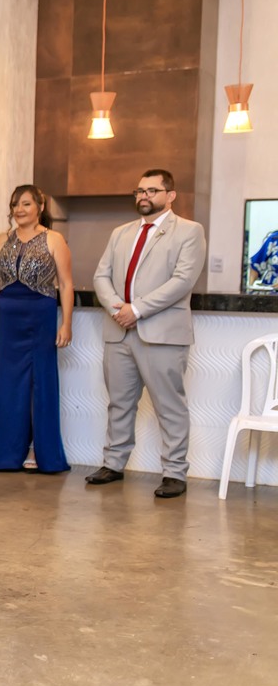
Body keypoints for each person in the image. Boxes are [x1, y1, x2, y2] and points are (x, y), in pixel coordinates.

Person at [87, 169, 207, 498]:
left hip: (162, 334)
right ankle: (113, 464)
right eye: (140, 191)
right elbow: (101, 276)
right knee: (119, 404)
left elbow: (182, 281)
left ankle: (174, 473)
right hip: (119, 332)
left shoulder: (190, 231)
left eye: (152, 190)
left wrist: (137, 309)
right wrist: (117, 308)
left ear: (171, 195)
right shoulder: (120, 233)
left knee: (169, 406)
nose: (144, 196)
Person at [0, 185, 74, 473]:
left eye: (26, 204)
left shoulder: (54, 239)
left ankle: (37, 450)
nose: (19, 209)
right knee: (5, 382)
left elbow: (66, 284)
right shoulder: (1, 240)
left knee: (39, 383)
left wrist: (67, 323)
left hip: (40, 318)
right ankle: (2, 452)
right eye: (15, 204)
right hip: (5, 319)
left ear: (40, 206)